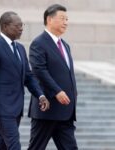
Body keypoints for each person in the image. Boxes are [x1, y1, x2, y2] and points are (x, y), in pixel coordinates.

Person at [0, 11, 49, 150]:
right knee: (14, 145)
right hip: (2, 108)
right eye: (17, 25)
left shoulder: (20, 49)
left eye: (22, 25)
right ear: (5, 26)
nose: (21, 28)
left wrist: (40, 95)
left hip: (16, 107)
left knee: (3, 146)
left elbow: (28, 77)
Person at [28, 4, 78, 150]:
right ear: (49, 20)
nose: (66, 22)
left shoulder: (65, 45)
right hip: (47, 110)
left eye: (67, 19)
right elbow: (39, 70)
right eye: (62, 18)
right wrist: (57, 91)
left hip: (65, 111)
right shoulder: (38, 43)